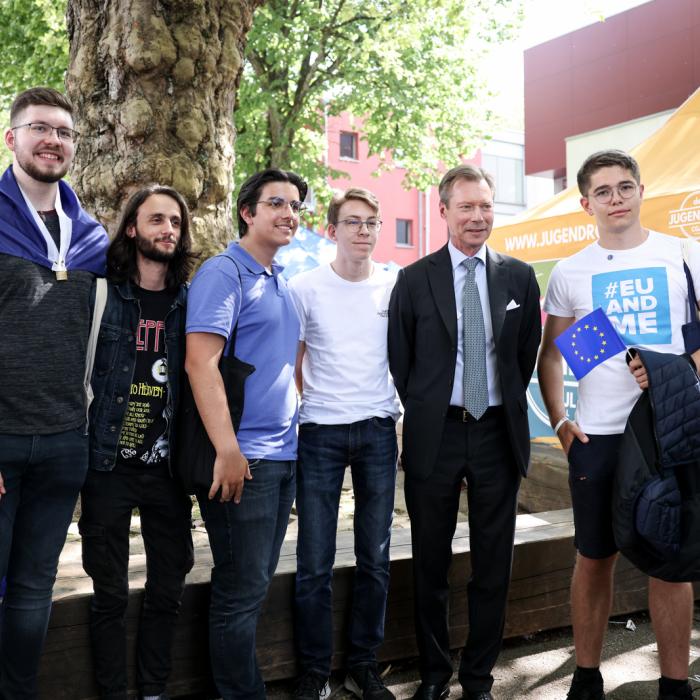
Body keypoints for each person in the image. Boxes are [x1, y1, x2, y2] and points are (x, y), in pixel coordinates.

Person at [537, 149, 698, 700]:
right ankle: (586, 677)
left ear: (640, 190)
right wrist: (560, 420)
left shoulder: (682, 254)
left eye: (624, 187)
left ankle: (675, 685)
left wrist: (669, 370)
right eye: (603, 191)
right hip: (598, 434)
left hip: (668, 433)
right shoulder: (572, 271)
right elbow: (553, 356)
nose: (616, 198)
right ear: (586, 203)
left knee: (671, 560)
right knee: (593, 556)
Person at [388, 164, 541, 700]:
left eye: (486, 206)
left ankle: (478, 677)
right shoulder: (414, 278)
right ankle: (434, 675)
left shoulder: (519, 277)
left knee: (492, 564)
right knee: (430, 563)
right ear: (445, 211)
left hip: (498, 434)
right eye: (467, 207)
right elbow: (401, 359)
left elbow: (525, 355)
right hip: (438, 435)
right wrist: (432, 410)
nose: (478, 217)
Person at [0, 86, 109, 699]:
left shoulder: (88, 233)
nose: (53, 140)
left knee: (35, 588)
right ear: (12, 138)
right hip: (1, 437)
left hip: (65, 440)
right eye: (39, 127)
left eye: (65, 132)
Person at [185, 168, 306, 700]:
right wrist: (228, 449)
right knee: (240, 591)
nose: (288, 213)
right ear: (247, 211)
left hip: (283, 455)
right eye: (276, 203)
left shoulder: (277, 276)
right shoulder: (224, 272)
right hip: (245, 459)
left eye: (295, 206)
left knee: (252, 586)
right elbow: (199, 364)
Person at [79, 185, 198, 700]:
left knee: (167, 591)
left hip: (168, 470)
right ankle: (112, 692)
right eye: (155, 220)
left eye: (174, 221)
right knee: (108, 594)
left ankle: (152, 690)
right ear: (132, 228)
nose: (167, 229)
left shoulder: (191, 302)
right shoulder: (102, 293)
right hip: (106, 465)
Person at [288, 188, 400, 700]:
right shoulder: (304, 288)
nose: (364, 231)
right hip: (320, 432)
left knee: (375, 558)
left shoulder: (395, 284)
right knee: (314, 560)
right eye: (353, 222)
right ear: (331, 230)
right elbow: (293, 363)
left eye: (372, 223)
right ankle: (314, 670)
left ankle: (363, 665)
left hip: (378, 430)